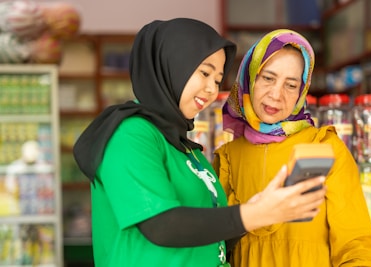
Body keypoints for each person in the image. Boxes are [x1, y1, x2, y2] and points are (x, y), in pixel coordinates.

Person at [72, 19, 327, 267]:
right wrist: (254, 214)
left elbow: (207, 234)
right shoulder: (130, 135)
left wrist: (257, 209)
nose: (210, 90)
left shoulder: (185, 148)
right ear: (172, 65)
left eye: (217, 80)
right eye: (204, 73)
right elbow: (161, 225)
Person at [212, 29, 371, 266]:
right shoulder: (228, 157)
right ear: (249, 78)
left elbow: (356, 245)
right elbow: (215, 244)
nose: (276, 94)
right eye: (268, 78)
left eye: (291, 85)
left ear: (302, 91)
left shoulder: (323, 147)